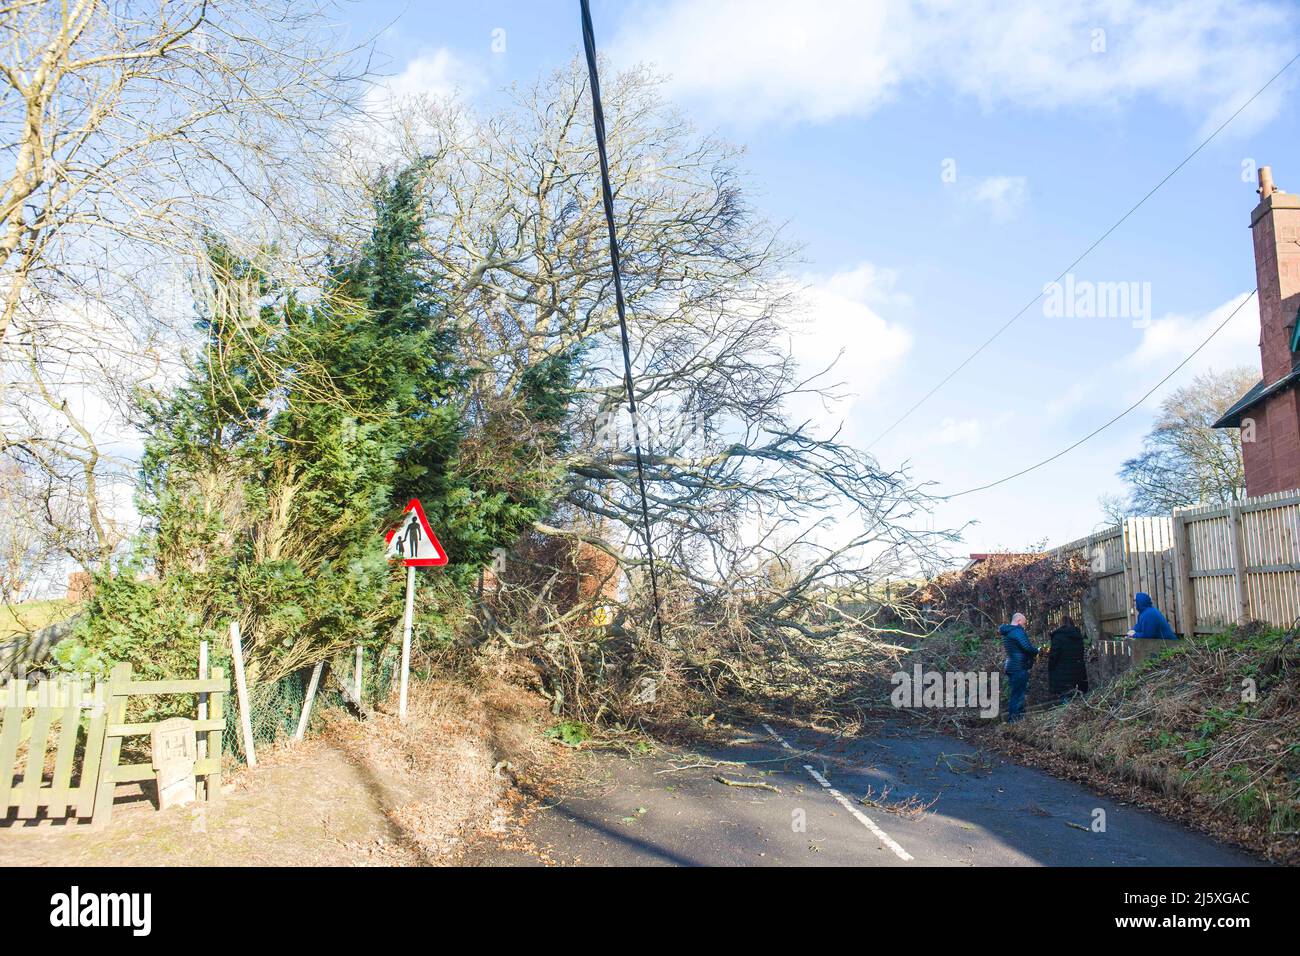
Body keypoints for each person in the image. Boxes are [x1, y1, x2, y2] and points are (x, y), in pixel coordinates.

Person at [999, 612, 1037, 723]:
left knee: (1015, 693)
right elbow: (1027, 647)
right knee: (1018, 694)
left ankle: (1016, 718)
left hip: (1011, 666)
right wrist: (1037, 650)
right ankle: (1015, 720)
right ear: (1019, 621)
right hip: (1019, 666)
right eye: (1024, 624)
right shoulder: (1017, 631)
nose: (1024, 626)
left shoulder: (1007, 631)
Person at [1047, 615, 1089, 703]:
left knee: (1065, 697)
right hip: (1078, 671)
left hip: (1062, 673)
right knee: (1077, 697)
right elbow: (1081, 653)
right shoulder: (1078, 636)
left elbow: (1054, 656)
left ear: (1061, 624)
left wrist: (1051, 667)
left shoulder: (1058, 637)